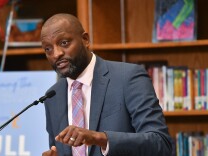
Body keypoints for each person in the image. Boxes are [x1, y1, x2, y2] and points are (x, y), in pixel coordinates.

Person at [41, 13, 173, 156]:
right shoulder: (52, 96)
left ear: (85, 40)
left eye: (64, 43)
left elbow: (160, 143)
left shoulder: (127, 77)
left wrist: (98, 138)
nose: (56, 54)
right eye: (48, 49)